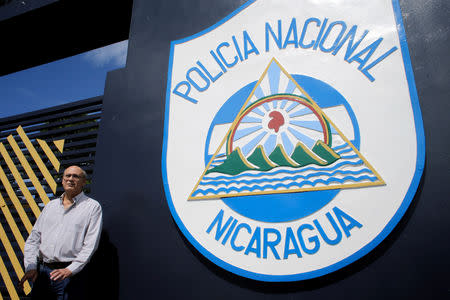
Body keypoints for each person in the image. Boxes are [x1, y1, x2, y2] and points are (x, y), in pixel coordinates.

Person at [19, 165, 102, 299]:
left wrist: (70, 270)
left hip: (70, 276)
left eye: (75, 176)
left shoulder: (92, 207)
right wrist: (31, 267)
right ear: (62, 181)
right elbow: (34, 239)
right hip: (43, 274)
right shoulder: (50, 206)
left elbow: (90, 245)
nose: (70, 179)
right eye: (67, 176)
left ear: (84, 182)